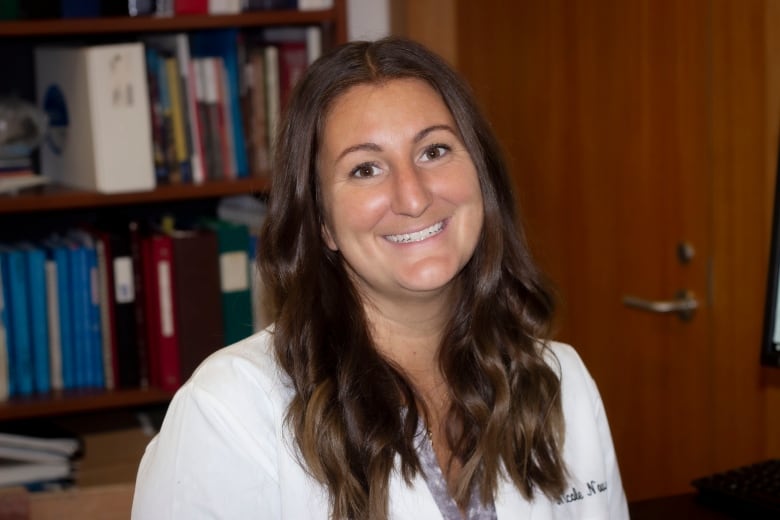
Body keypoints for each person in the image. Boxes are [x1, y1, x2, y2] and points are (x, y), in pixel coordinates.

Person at [132, 36, 629, 519]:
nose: (412, 197)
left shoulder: (560, 381)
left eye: (434, 151)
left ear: (483, 176)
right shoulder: (228, 410)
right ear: (322, 221)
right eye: (366, 169)